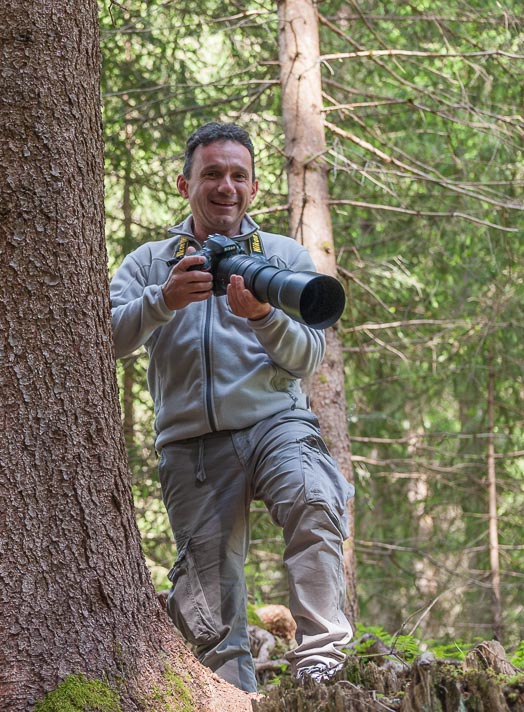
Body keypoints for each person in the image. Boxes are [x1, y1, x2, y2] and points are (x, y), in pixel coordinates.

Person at [109, 122, 354, 691]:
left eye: (238, 175)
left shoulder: (283, 255)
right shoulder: (150, 262)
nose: (226, 186)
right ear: (184, 183)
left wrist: (264, 317)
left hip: (276, 421)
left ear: (255, 187)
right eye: (212, 173)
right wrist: (162, 299)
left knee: (314, 497)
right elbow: (103, 338)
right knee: (208, 587)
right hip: (191, 441)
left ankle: (322, 661)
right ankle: (230, 695)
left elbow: (307, 357)